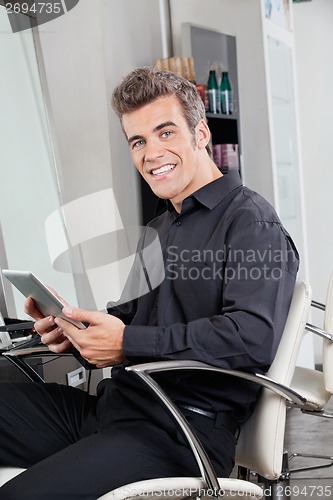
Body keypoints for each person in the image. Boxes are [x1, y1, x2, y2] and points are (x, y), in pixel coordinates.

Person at [0, 67, 299, 499]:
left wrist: (126, 343)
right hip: (114, 408)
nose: (151, 152)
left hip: (180, 432)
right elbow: (131, 321)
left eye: (165, 132)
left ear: (201, 134)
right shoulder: (161, 227)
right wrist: (75, 332)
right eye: (138, 141)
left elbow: (252, 337)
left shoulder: (251, 222)